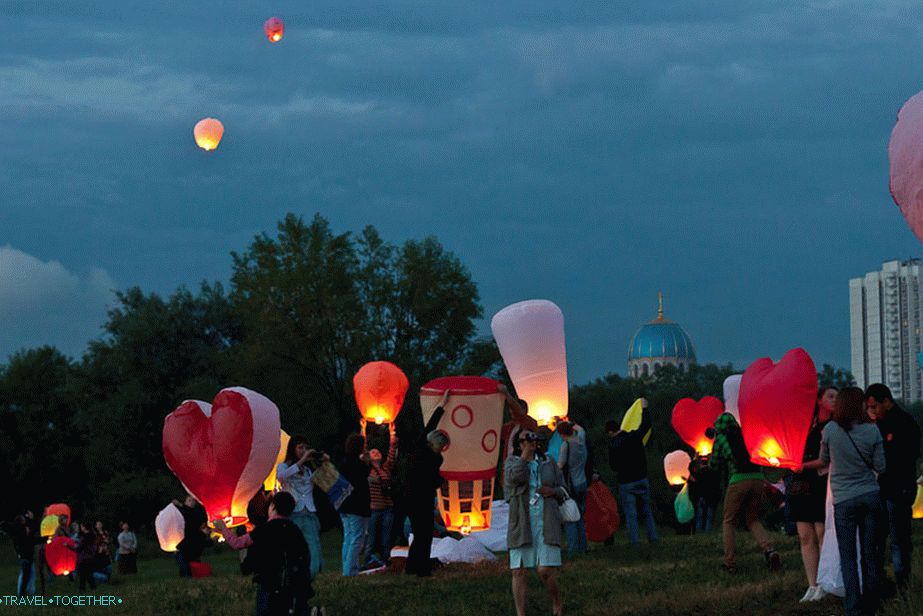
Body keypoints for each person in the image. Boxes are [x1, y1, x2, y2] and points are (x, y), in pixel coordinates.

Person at [820, 387, 886, 616]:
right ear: (859, 405)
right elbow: (881, 467)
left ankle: (853, 607)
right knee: (869, 553)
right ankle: (872, 604)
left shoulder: (829, 429)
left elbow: (824, 460)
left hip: (843, 501)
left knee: (847, 555)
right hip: (869, 496)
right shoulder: (872, 431)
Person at [216, 492, 314, 616]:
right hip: (292, 583)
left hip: (268, 582)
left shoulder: (263, 529)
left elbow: (238, 543)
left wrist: (223, 528)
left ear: (272, 506)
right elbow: (304, 555)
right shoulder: (294, 530)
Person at [864, 383, 921, 592]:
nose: (872, 412)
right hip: (881, 489)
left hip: (898, 489)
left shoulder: (904, 423)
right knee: (878, 538)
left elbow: (907, 455)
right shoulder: (876, 426)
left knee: (898, 539)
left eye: (874, 406)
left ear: (886, 402)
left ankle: (902, 583)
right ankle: (881, 582)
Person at [505, 430, 567, 616]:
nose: (532, 442)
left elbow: (564, 489)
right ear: (519, 444)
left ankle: (557, 601)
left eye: (534, 438)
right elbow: (515, 478)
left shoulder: (549, 462)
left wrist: (553, 491)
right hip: (522, 520)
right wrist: (525, 457)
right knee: (519, 570)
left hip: (545, 519)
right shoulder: (512, 462)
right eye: (526, 439)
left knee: (545, 570)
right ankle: (521, 613)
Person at [712, 412, 782, 574]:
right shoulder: (747, 434)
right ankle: (770, 551)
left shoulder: (721, 438)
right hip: (758, 479)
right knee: (752, 519)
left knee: (728, 521)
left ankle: (730, 563)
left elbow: (714, 464)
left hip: (738, 480)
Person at [791, 385, 837, 602]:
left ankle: (825, 581)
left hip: (820, 483)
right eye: (830, 396)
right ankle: (812, 584)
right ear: (819, 400)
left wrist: (804, 465)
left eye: (837, 397)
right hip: (802, 484)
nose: (834, 400)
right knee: (805, 535)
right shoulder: (808, 425)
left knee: (821, 532)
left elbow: (826, 459)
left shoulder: (834, 427)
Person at [405, 389, 451, 578]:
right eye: (442, 446)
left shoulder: (423, 450)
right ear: (436, 444)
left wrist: (442, 404)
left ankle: (414, 566)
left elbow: (431, 425)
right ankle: (421, 569)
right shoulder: (426, 456)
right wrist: (442, 481)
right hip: (419, 498)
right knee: (423, 534)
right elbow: (431, 479)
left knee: (421, 533)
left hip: (416, 497)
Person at [606, 400, 658, 545]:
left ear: (610, 432)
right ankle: (653, 538)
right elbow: (646, 425)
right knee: (647, 511)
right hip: (642, 478)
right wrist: (645, 409)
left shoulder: (613, 445)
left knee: (631, 515)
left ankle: (635, 543)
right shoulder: (634, 436)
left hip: (626, 483)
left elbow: (613, 467)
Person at [276, 435, 324, 580]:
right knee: (293, 549)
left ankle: (312, 575)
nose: (303, 451)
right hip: (293, 514)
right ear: (293, 449)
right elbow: (282, 477)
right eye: (300, 447)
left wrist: (322, 462)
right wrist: (303, 460)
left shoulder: (308, 470)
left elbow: (323, 481)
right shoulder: (284, 466)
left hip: (309, 512)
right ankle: (293, 576)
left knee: (314, 547)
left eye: (306, 448)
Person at [338, 433, 372, 577]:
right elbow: (363, 476)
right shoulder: (358, 464)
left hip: (344, 505)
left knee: (348, 537)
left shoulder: (344, 462)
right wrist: (367, 462)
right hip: (357, 506)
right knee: (357, 538)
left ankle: (348, 566)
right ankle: (350, 570)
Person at [365, 428, 398, 567]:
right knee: (372, 539)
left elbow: (392, 454)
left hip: (387, 508)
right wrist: (363, 428)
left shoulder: (385, 468)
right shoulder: (367, 469)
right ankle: (368, 561)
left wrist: (392, 434)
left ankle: (386, 561)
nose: (376, 452)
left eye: (377, 451)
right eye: (373, 452)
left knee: (386, 538)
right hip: (374, 509)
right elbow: (363, 448)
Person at [556, 420, 588, 555]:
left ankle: (573, 549)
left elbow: (561, 465)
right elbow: (581, 429)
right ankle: (583, 547)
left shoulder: (566, 445)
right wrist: (571, 423)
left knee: (571, 517)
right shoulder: (580, 440)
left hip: (572, 484)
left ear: (562, 434)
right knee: (580, 516)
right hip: (583, 482)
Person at [172, 495, 208, 577]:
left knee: (193, 560)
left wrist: (181, 505)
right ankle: (186, 576)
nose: (192, 502)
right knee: (184, 560)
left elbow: (193, 517)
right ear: (185, 502)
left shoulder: (197, 513)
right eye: (189, 500)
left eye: (193, 501)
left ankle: (193, 575)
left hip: (194, 541)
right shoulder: (182, 513)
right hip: (185, 541)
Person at [687, 454, 720, 533]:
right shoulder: (713, 472)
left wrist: (695, 459)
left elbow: (691, 471)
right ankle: (707, 532)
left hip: (702, 497)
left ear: (701, 464)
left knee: (700, 516)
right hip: (712, 497)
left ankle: (699, 531)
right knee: (709, 517)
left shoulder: (699, 473)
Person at [68, 522, 98, 592]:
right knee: (89, 574)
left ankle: (82, 590)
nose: (81, 528)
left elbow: (78, 549)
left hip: (84, 558)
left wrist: (68, 546)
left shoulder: (85, 537)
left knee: (83, 575)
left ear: (84, 527)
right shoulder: (92, 535)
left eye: (82, 527)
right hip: (90, 557)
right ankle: (93, 588)